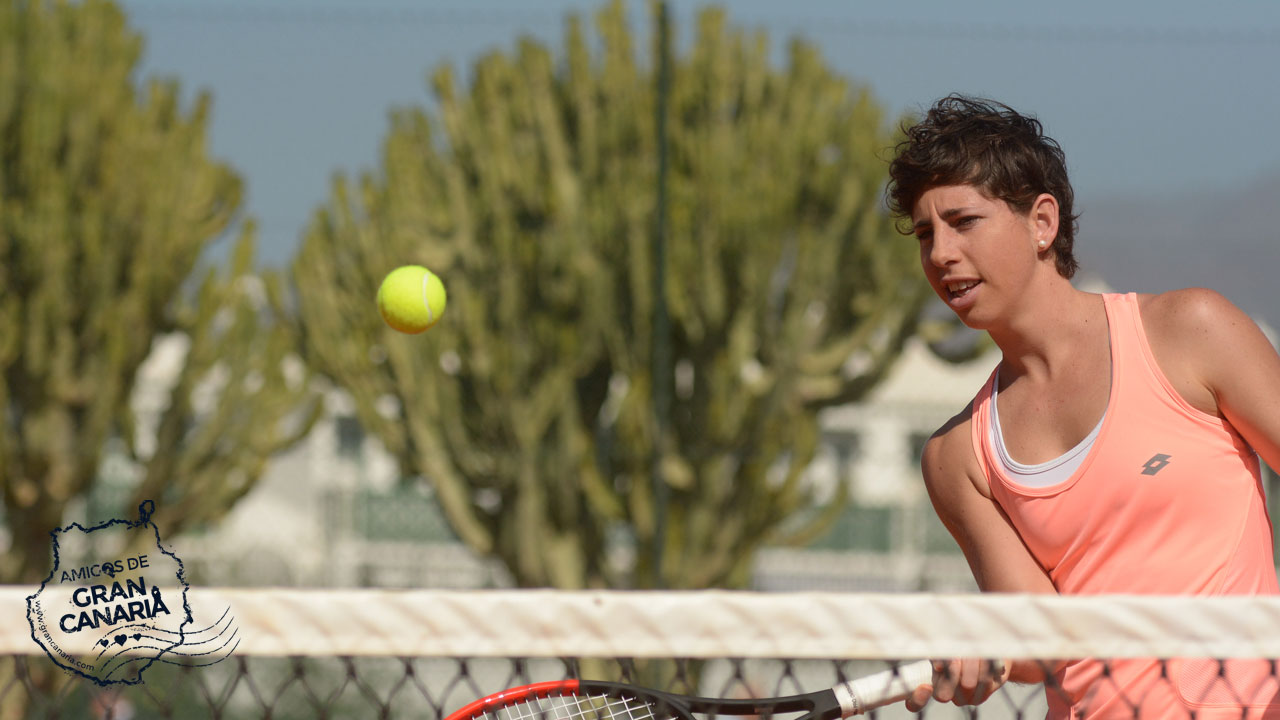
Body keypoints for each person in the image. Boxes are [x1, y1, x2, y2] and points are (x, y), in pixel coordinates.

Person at [884, 94, 1280, 718]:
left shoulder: (1192, 330)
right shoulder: (955, 456)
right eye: (927, 233)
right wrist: (980, 651)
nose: (940, 254)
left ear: (1042, 222)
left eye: (963, 222)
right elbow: (1040, 642)